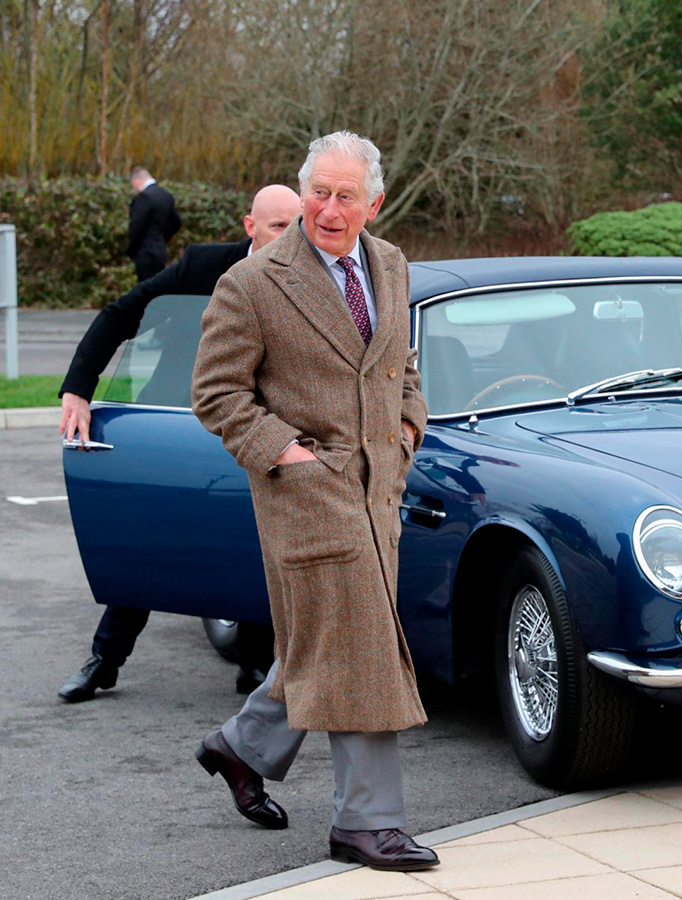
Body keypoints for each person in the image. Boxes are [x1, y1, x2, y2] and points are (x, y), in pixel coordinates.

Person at [190, 131, 438, 871]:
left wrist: (405, 425)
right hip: (307, 498)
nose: (329, 210)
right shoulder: (255, 282)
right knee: (361, 645)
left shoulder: (390, 263)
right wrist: (290, 457)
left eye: (346, 196)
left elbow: (401, 362)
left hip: (378, 494)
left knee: (329, 642)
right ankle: (366, 824)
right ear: (302, 193)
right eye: (318, 192)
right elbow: (216, 394)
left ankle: (240, 746)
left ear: (375, 202)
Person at [57, 185, 302, 704]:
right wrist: (78, 389)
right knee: (152, 539)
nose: (291, 235)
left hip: (257, 432)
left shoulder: (313, 278)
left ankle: (255, 665)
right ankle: (105, 660)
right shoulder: (201, 268)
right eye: (279, 225)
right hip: (173, 423)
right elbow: (120, 315)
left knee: (254, 543)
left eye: (297, 224)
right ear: (249, 226)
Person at [127, 167, 183, 282]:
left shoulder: (143, 197)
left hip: (144, 252)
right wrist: (162, 238)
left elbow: (136, 226)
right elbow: (177, 223)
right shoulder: (166, 195)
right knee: (157, 288)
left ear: (136, 181)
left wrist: (130, 250)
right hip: (160, 251)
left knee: (145, 289)